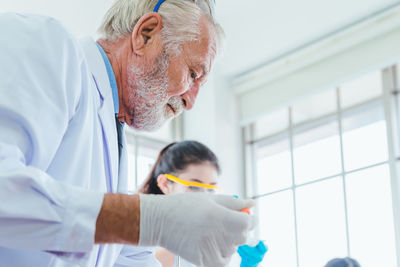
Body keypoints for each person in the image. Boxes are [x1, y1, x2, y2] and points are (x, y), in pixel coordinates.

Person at [0, 1, 256, 267]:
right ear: (145, 35)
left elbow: (124, 257)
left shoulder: (113, 130)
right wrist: (149, 220)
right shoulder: (48, 44)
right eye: (192, 74)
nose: (191, 102)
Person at [124, 140, 266, 267]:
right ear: (165, 184)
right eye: (194, 187)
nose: (204, 198)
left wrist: (248, 264)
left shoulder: (203, 244)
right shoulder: (146, 250)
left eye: (210, 189)